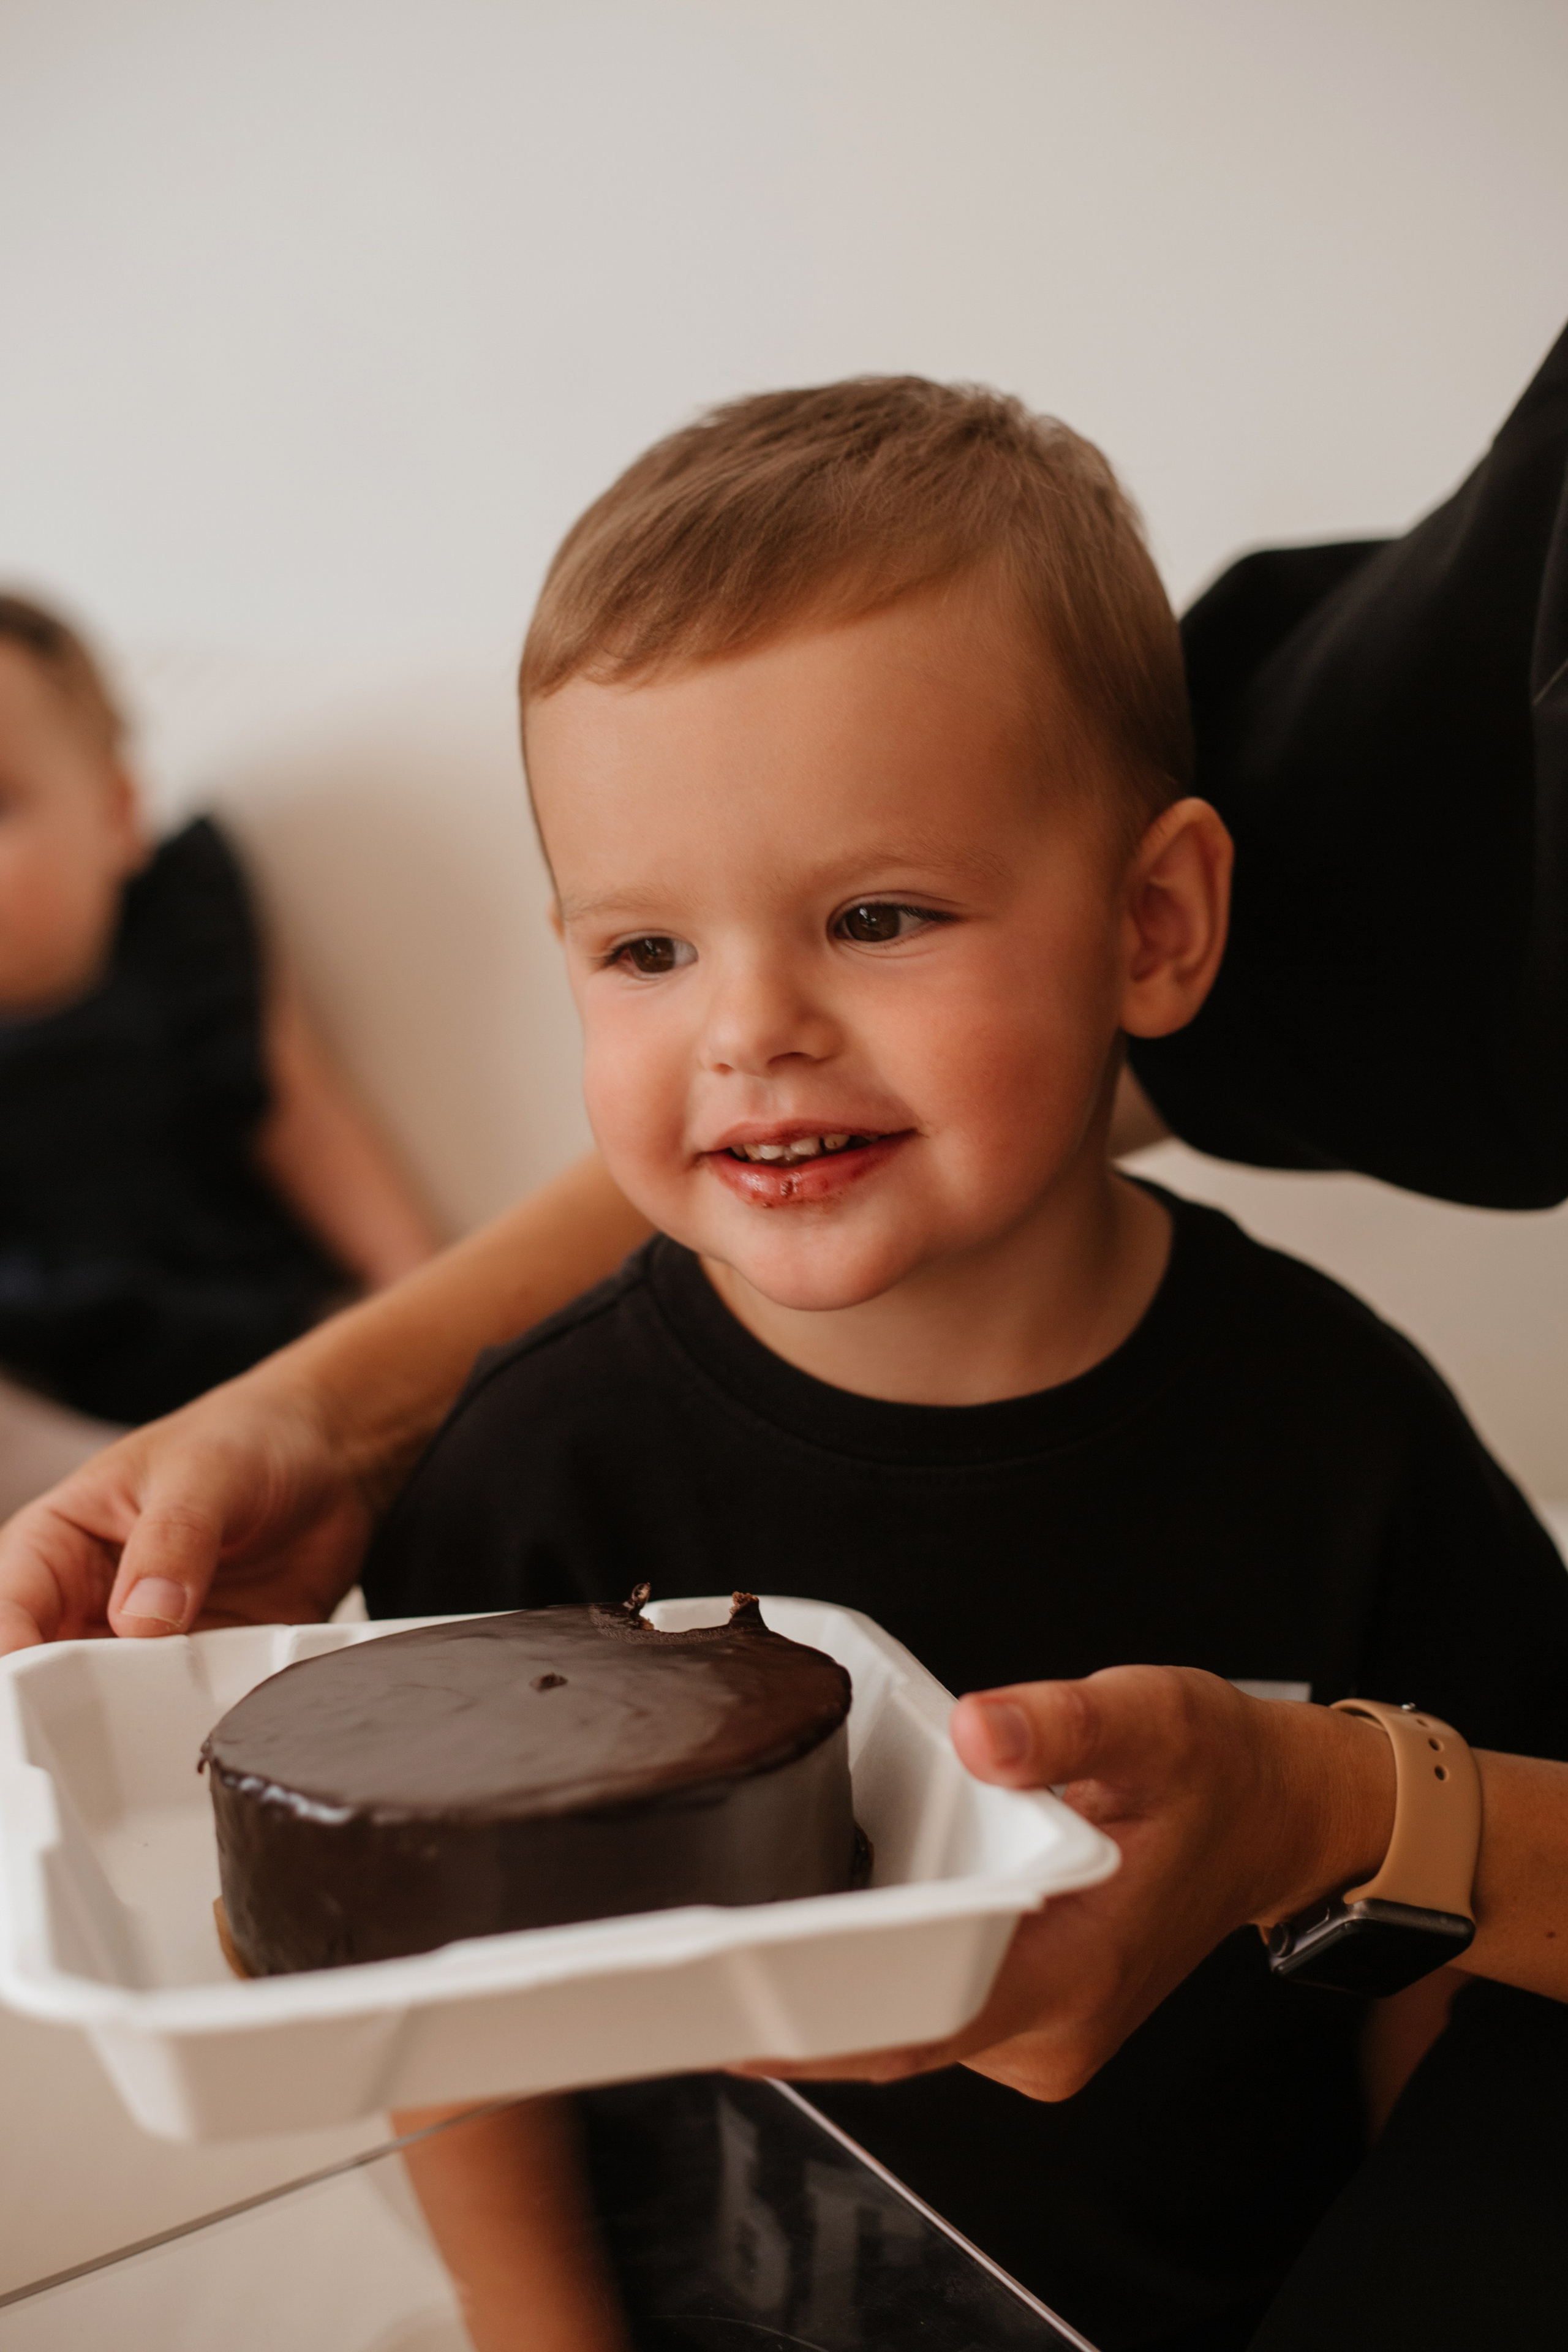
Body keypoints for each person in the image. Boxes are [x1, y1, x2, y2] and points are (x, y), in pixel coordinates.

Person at [4, 334, 1568, 2342]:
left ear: (1156, 927)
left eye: (881, 916)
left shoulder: (1346, 1429)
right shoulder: (534, 1462)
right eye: (645, 950)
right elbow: (455, 2031)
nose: (747, 1030)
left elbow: (1448, 1996)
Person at [0, 593, 442, 1518]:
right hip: (35, 1378)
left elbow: (305, 1109)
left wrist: (423, 1296)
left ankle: (229, 1478)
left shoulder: (184, 922)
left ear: (118, 815)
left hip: (240, 1333)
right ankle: (114, 1496)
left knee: (378, 1360)